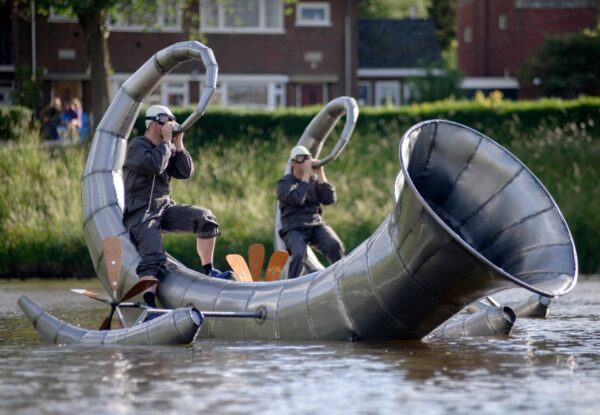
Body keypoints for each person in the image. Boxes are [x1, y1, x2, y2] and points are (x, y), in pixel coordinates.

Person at [122, 104, 231, 311]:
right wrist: (166, 143)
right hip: (141, 212)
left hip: (165, 208)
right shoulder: (137, 146)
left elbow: (185, 172)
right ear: (153, 124)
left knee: (205, 218)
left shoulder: (168, 147)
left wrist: (178, 145)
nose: (171, 124)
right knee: (154, 255)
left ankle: (209, 269)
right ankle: (148, 305)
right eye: (166, 120)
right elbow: (155, 165)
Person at [276, 145, 345, 278]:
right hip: (293, 228)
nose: (306, 162)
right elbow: (297, 199)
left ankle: (341, 276)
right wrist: (306, 176)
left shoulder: (313, 180)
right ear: (293, 163)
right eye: (301, 159)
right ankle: (292, 285)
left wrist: (320, 174)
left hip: (315, 225)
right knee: (299, 254)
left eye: (308, 158)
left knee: (334, 244)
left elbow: (329, 199)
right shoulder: (284, 184)